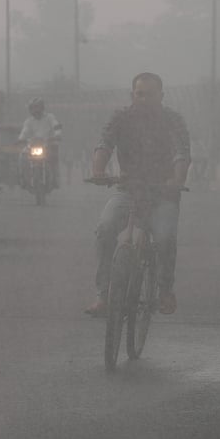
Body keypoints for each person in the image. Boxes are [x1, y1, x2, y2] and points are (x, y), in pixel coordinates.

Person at [85, 72, 190, 317]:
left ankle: (165, 291)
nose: (143, 99)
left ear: (161, 96)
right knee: (105, 228)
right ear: (132, 95)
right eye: (139, 94)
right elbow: (104, 144)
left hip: (163, 194)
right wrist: (98, 171)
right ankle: (103, 295)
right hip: (128, 190)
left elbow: (181, 153)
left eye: (149, 94)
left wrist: (176, 180)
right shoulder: (121, 118)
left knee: (164, 239)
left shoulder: (173, 121)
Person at [18, 97, 62, 188]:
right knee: (22, 156)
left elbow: (56, 125)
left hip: (48, 143)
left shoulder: (50, 117)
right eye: (33, 108)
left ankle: (55, 178)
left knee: (54, 157)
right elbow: (24, 131)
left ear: (42, 108)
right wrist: (21, 139)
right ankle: (23, 178)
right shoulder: (29, 121)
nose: (35, 110)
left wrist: (57, 134)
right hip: (33, 145)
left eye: (37, 107)